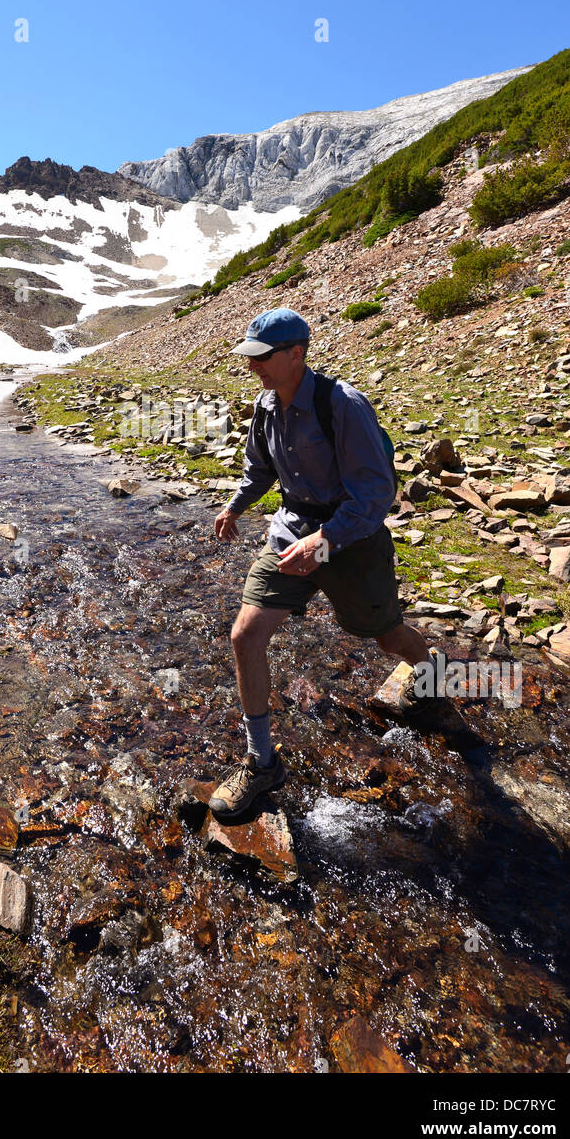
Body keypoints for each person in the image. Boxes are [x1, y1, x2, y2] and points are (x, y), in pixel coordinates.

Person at [210, 307, 444, 819]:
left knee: (386, 635)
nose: (254, 368)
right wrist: (234, 506)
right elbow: (260, 470)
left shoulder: (343, 406)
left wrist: (323, 542)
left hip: (351, 538)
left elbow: (375, 494)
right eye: (250, 357)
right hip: (291, 531)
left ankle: (432, 681)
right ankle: (261, 761)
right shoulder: (266, 405)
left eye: (263, 358)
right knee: (245, 635)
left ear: (297, 354)